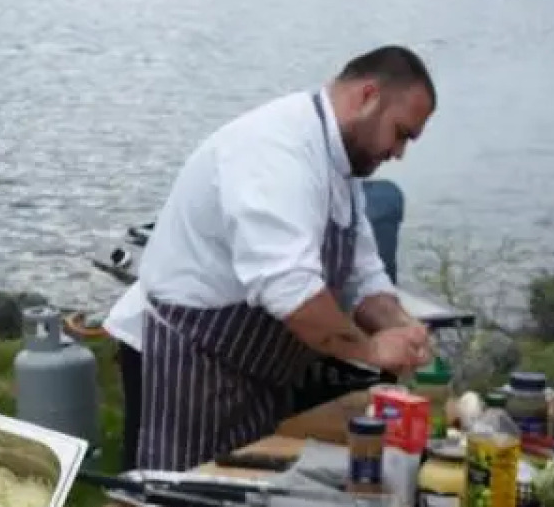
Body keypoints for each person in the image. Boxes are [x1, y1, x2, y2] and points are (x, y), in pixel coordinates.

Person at [104, 46, 439, 472]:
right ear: (367, 96)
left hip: (255, 372)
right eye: (401, 133)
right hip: (186, 363)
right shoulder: (275, 151)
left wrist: (400, 326)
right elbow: (290, 290)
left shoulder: (342, 164)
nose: (399, 153)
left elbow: (363, 275)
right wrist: (372, 350)